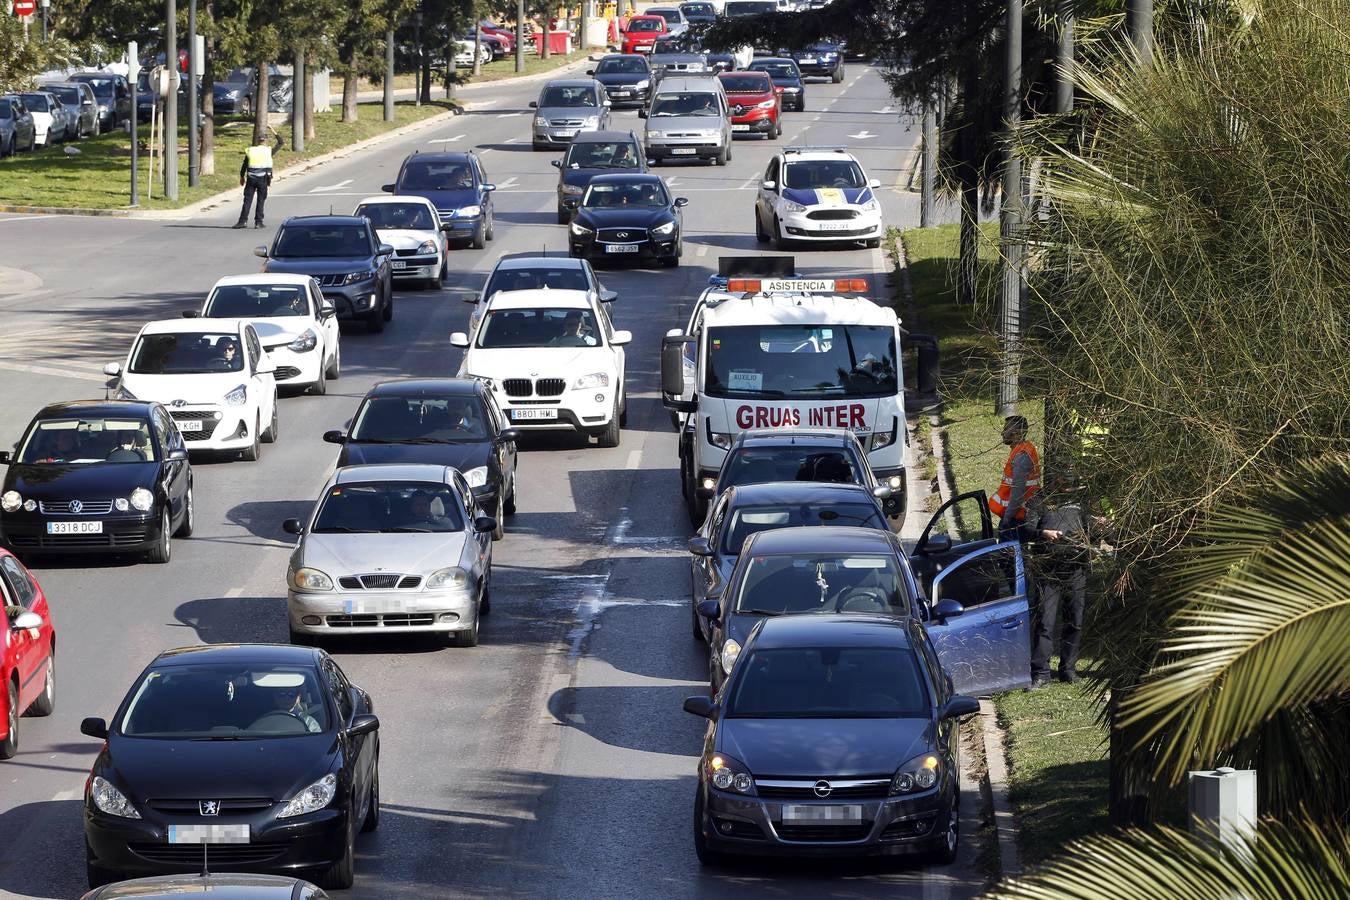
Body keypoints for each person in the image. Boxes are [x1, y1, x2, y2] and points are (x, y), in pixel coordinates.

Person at [1026, 473, 1091, 689]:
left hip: (1075, 568)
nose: (1068, 486)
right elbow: (1026, 529)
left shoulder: (1081, 502)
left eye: (1072, 482)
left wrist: (1103, 529)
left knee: (1075, 621)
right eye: (1064, 480)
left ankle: (1068, 670)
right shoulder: (1039, 500)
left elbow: (1094, 530)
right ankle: (1041, 673)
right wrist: (1043, 532)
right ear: (1054, 479)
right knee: (1045, 621)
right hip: (1048, 569)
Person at [988, 415, 1041, 542]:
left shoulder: (1021, 457)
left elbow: (1018, 493)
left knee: (1010, 558)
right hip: (1017, 516)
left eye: (1006, 429)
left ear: (1016, 433)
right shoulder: (1022, 450)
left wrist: (1007, 519)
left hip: (1016, 518)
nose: (1002, 433)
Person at [233, 128, 283, 229]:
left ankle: (242, 221)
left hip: (251, 179)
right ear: (266, 141)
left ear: (258, 141)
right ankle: (258, 222)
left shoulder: (251, 150)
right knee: (261, 200)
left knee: (247, 200)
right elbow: (281, 143)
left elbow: (244, 164)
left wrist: (242, 176)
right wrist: (273, 130)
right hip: (263, 179)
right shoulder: (268, 151)